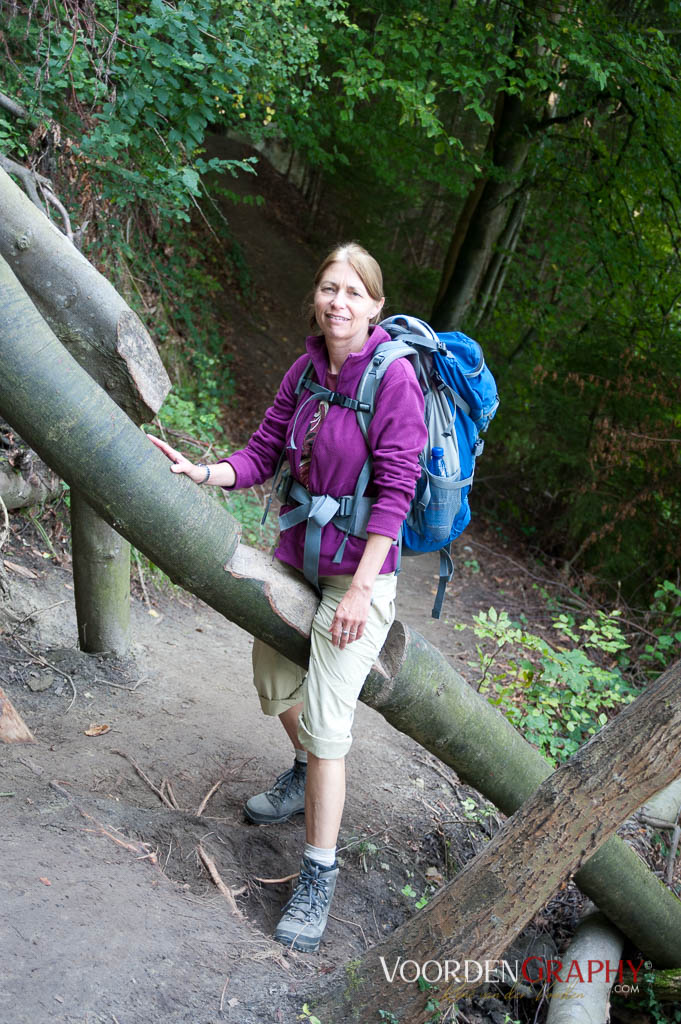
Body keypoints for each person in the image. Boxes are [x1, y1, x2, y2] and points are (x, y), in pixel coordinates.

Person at [148, 242, 427, 952]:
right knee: (274, 680)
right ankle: (304, 771)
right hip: (298, 557)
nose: (339, 302)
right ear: (317, 297)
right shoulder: (305, 370)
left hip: (356, 576)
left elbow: (396, 493)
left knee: (331, 725)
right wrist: (201, 471)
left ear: (375, 307)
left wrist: (362, 591)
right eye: (329, 288)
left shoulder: (393, 382)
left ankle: (318, 875)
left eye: (353, 292)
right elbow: (263, 451)